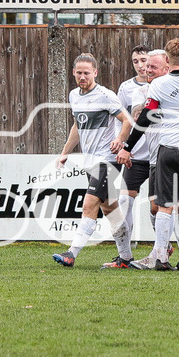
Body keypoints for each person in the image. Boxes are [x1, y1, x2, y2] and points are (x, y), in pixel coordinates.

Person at [118, 38, 179, 271]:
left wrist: (128, 146)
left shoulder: (159, 85)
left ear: (167, 58)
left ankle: (161, 257)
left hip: (166, 149)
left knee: (164, 205)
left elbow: (144, 117)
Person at [52, 53, 133, 268]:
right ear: (73, 73)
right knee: (110, 210)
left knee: (89, 204)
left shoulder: (105, 95)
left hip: (107, 160)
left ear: (95, 73)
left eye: (86, 73)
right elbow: (78, 126)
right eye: (79, 73)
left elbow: (127, 121)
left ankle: (71, 253)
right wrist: (65, 152)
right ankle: (126, 258)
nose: (82, 77)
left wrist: (120, 140)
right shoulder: (74, 96)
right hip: (90, 161)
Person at [102, 44, 153, 269]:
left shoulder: (162, 83)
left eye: (144, 60)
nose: (141, 65)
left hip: (160, 155)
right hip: (135, 155)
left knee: (166, 205)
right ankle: (125, 255)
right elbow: (121, 119)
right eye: (136, 61)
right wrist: (124, 146)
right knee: (124, 201)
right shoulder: (126, 88)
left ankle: (164, 248)